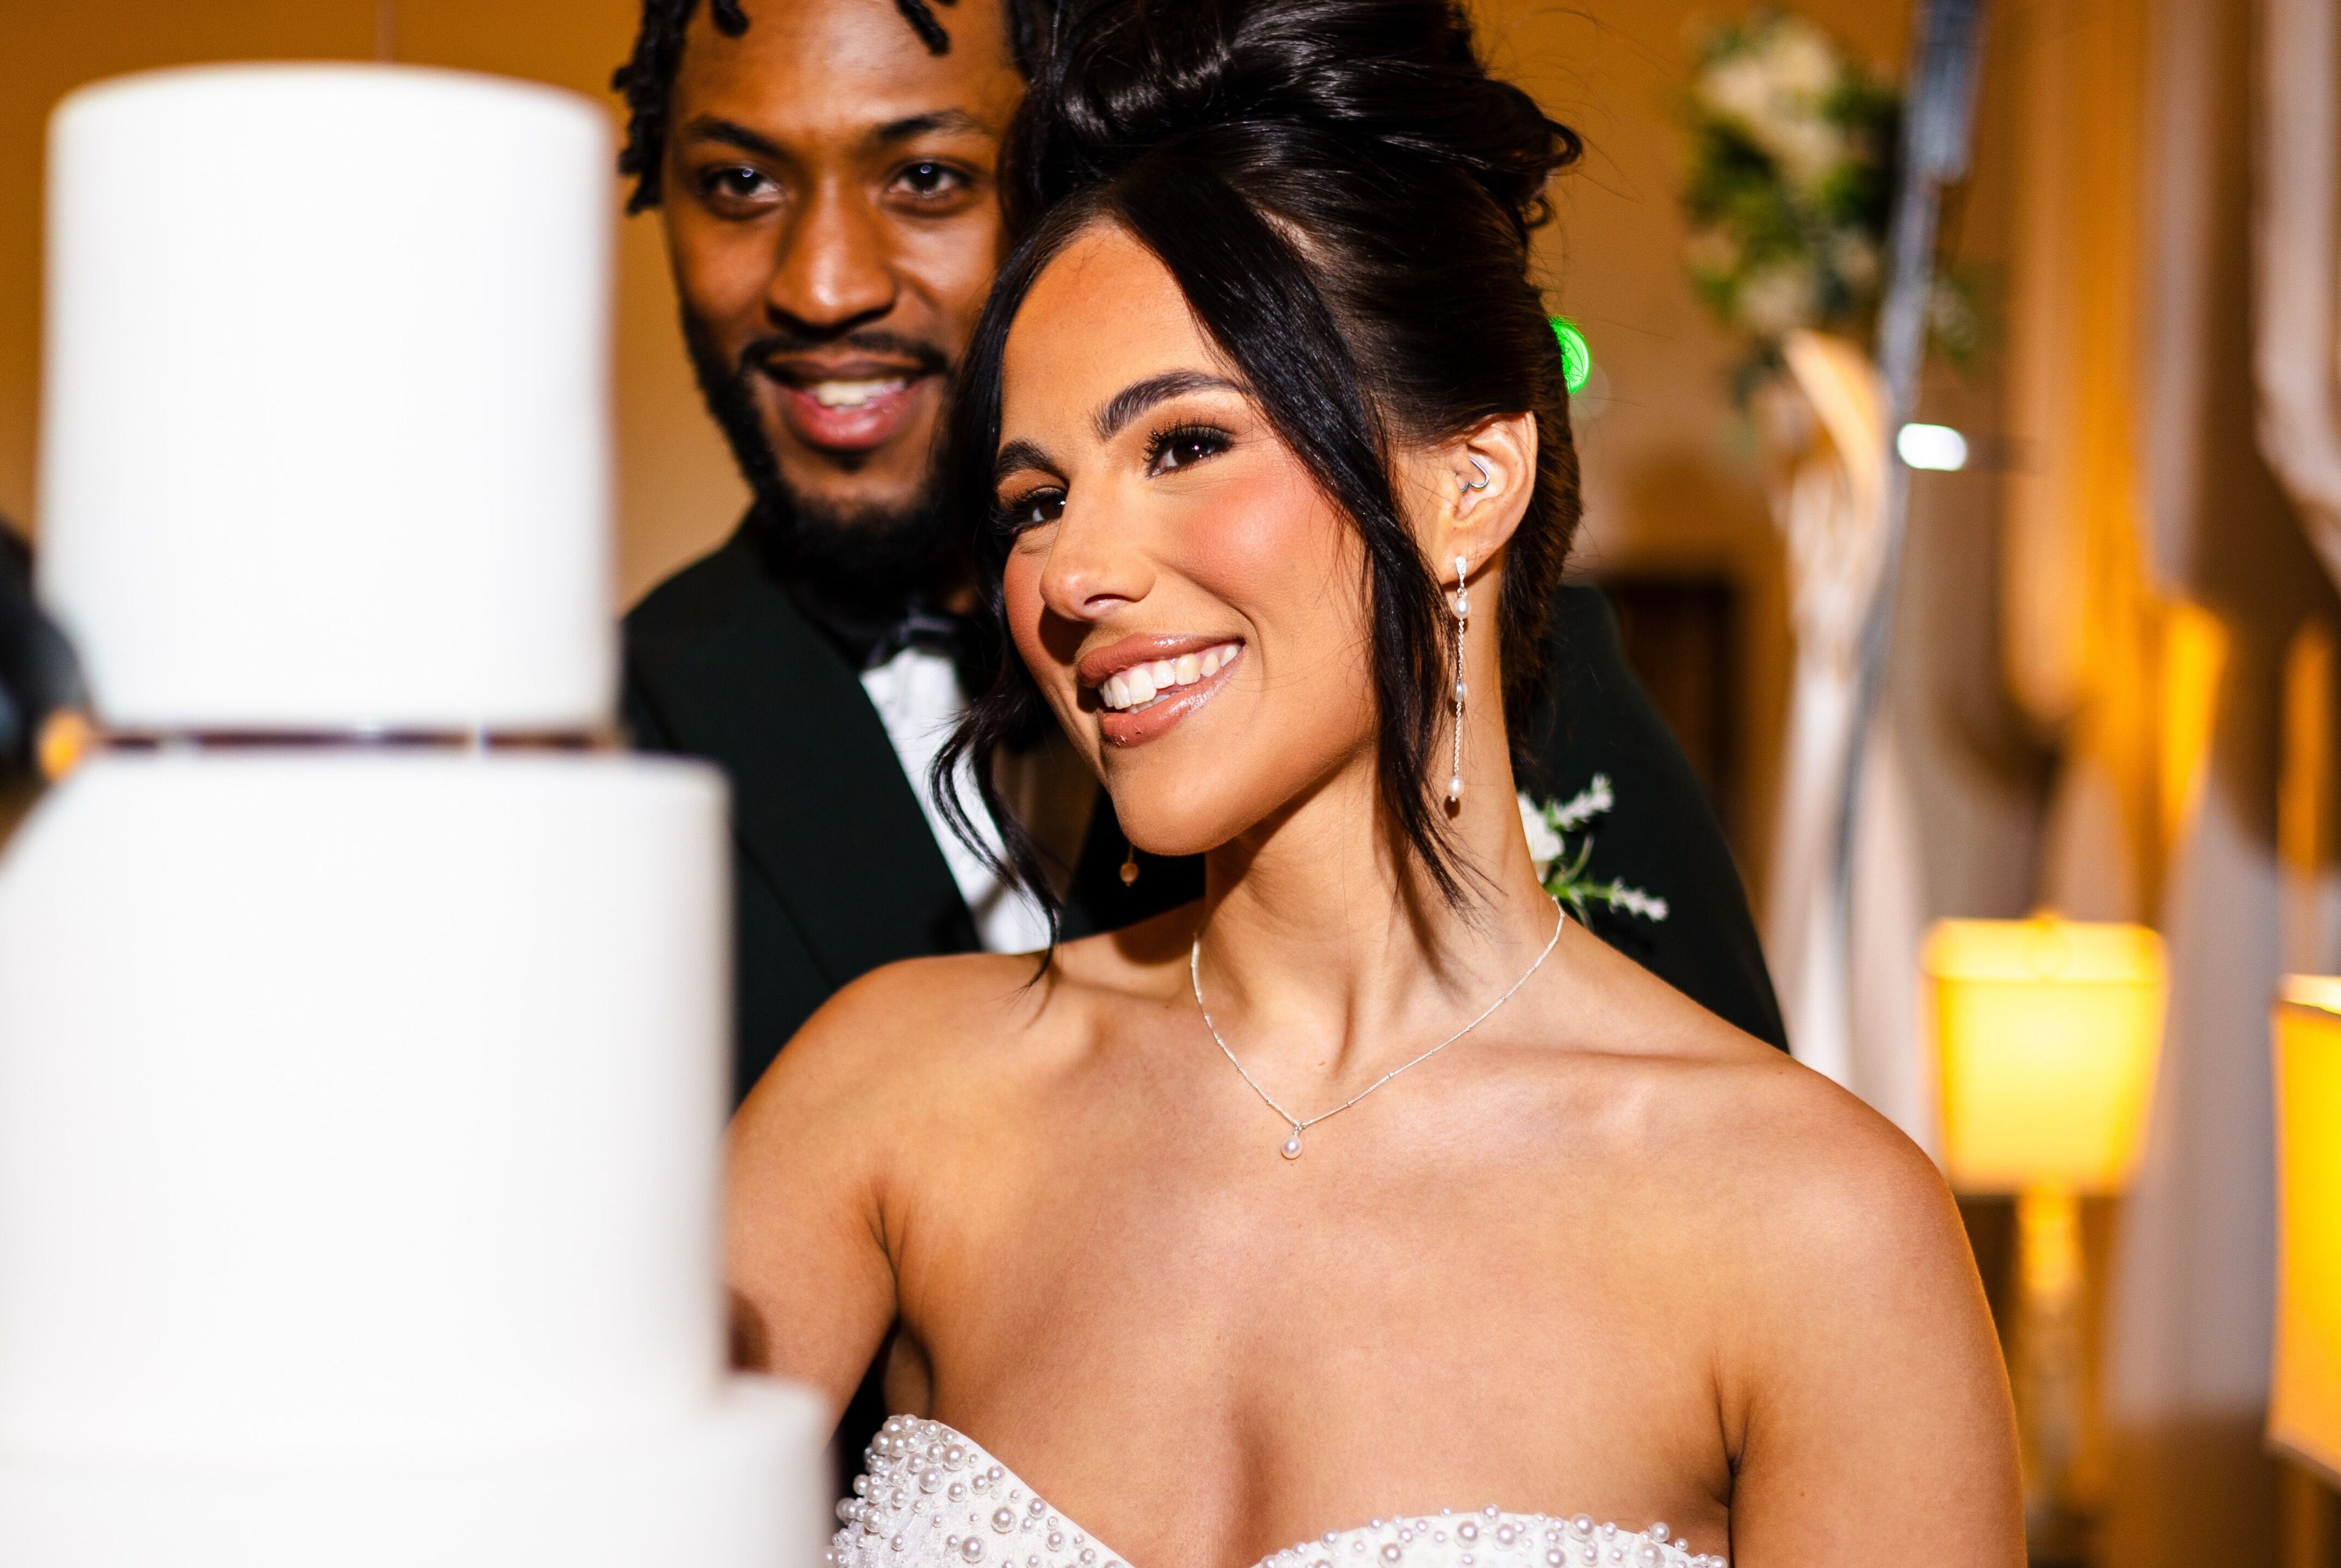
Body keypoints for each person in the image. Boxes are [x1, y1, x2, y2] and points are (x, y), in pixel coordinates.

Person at [724, 2, 2030, 1568]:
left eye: (1184, 443)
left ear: (1470, 480)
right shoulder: (894, 1099)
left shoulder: (1814, 1227)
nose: (1069, 577)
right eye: (1034, 498)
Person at [612, 0, 1785, 1121]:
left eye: (927, 177)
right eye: (739, 181)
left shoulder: (1479, 640)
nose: (824, 285)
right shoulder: (604, 730)